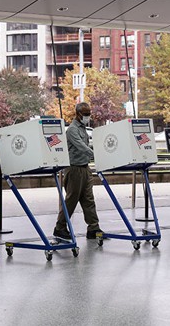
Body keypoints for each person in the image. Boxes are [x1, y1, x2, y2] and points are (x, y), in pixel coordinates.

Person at [53, 102, 104, 240]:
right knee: (71, 200)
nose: (88, 116)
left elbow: (87, 144)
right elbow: (81, 146)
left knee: (88, 199)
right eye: (85, 114)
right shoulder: (72, 130)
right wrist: (96, 155)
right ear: (78, 114)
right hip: (74, 168)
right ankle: (60, 227)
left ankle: (93, 228)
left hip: (84, 168)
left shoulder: (83, 129)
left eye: (89, 114)